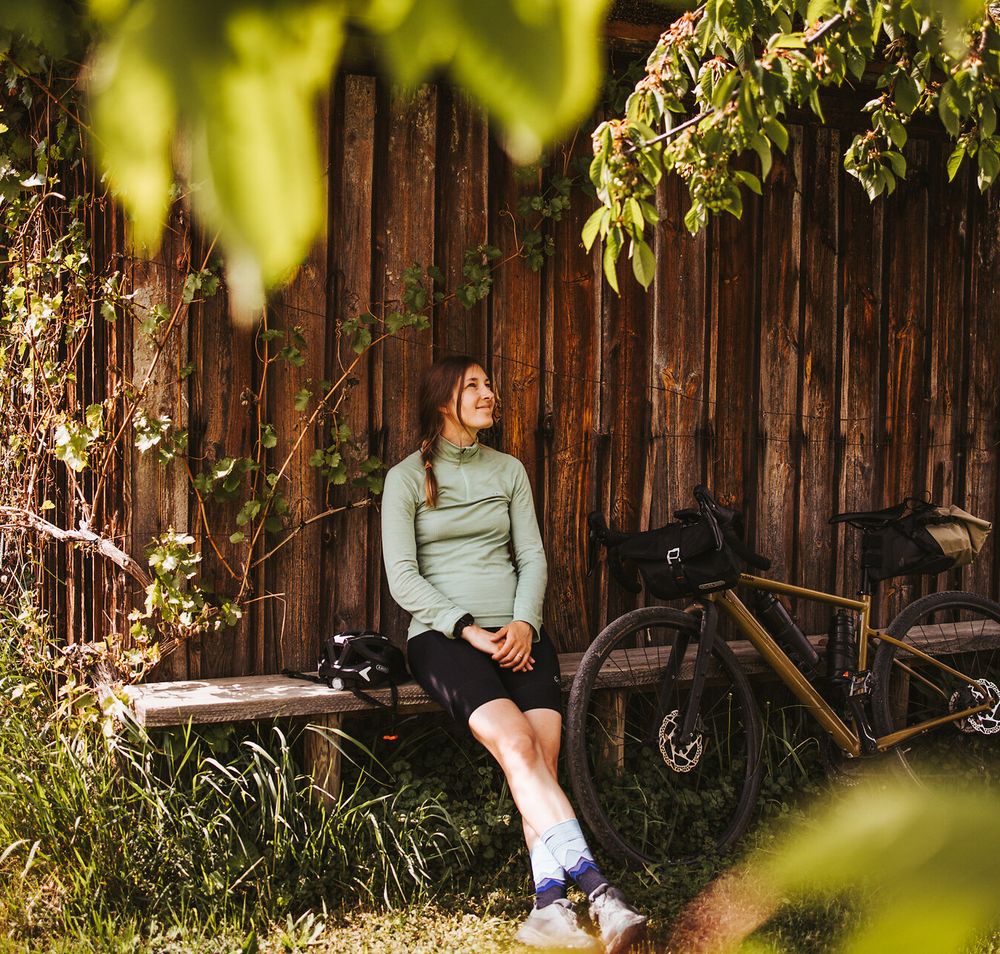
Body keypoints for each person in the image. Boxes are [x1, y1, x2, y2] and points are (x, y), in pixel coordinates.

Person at [381, 354, 647, 954]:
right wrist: (468, 628)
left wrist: (525, 622)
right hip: (445, 642)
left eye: (489, 384)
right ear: (444, 400)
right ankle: (601, 894)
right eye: (473, 386)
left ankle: (549, 910)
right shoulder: (405, 479)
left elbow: (532, 557)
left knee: (541, 757)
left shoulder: (509, 471)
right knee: (518, 746)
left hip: (521, 635)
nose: (488, 393)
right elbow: (402, 577)